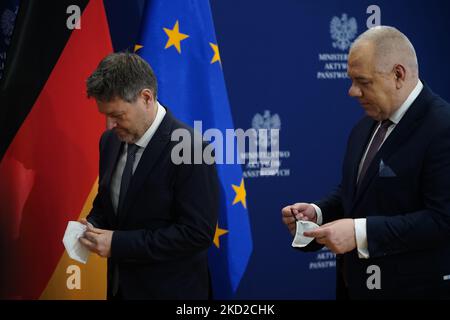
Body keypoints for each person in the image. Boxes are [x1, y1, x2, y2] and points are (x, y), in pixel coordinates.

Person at [282, 26, 450, 299]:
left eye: (363, 81)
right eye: (351, 80)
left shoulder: (442, 127)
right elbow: (358, 193)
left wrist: (360, 233)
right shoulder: (365, 126)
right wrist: (319, 214)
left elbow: (443, 220)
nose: (352, 92)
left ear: (398, 75)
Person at [79, 52, 219, 300]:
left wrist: (117, 244)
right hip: (119, 289)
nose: (110, 125)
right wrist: (93, 225)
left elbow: (196, 234)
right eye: (106, 115)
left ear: (146, 98)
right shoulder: (109, 141)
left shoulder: (192, 149)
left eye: (118, 116)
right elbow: (108, 201)